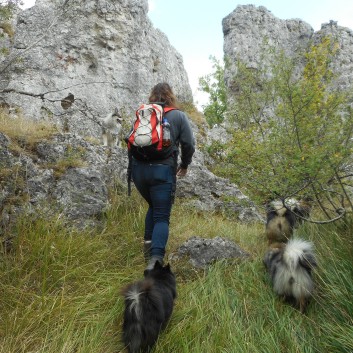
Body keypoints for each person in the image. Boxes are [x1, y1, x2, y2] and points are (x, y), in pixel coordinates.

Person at [128, 82, 195, 271]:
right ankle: (155, 260)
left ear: (152, 96)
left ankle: (147, 251)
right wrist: (184, 164)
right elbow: (188, 144)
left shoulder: (144, 114)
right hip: (162, 171)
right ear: (171, 96)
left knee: (154, 207)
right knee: (162, 216)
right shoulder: (178, 115)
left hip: (139, 172)